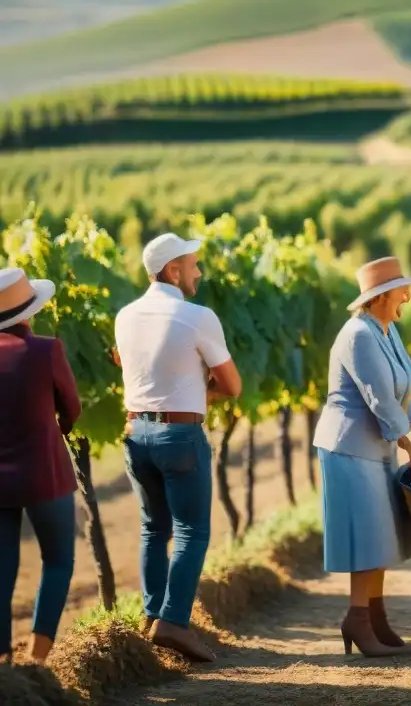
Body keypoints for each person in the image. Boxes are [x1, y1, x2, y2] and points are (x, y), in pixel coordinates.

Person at [113, 234, 241, 663]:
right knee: (192, 532)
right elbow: (232, 386)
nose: (199, 272)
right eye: (193, 265)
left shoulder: (125, 316)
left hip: (135, 434)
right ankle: (173, 622)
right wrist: (198, 393)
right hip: (180, 437)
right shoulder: (198, 316)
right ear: (173, 271)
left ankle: (152, 617)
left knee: (154, 529)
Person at [312, 256, 411, 658]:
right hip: (350, 447)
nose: (408, 295)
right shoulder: (358, 335)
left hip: (377, 447)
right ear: (382, 296)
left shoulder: (385, 331)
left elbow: (405, 388)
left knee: (383, 533)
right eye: (402, 289)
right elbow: (380, 401)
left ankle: (375, 617)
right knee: (367, 536)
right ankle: (357, 619)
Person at [0, 268, 80, 665]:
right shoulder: (46, 350)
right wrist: (57, 429)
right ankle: (37, 658)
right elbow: (72, 407)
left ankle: (3, 663)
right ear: (27, 313)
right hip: (44, 471)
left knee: (1, 569)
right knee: (59, 559)